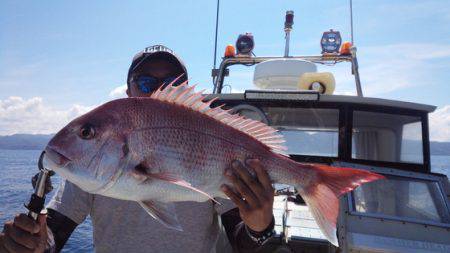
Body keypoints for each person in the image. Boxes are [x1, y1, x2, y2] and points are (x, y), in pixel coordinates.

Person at [0, 45, 275, 253]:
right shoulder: (89, 163)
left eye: (173, 83)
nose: (159, 91)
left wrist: (259, 226)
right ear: (129, 91)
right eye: (146, 82)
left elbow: (243, 241)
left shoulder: (215, 144)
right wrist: (32, 242)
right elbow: (54, 235)